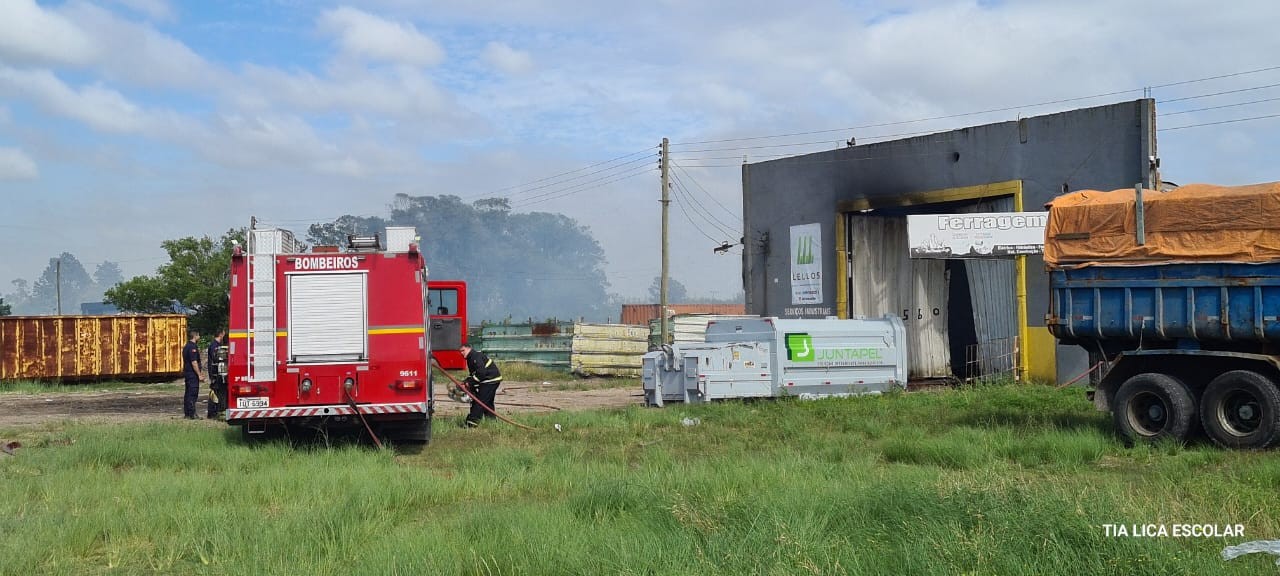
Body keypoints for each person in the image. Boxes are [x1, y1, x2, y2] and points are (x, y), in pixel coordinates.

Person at [459, 343, 502, 427]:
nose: (461, 353)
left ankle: (471, 424)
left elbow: (481, 373)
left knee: (479, 401)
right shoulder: (470, 358)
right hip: (491, 380)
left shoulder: (475, 356)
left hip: (490, 381)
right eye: (460, 351)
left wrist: (469, 383)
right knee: (487, 402)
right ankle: (491, 422)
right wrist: (465, 381)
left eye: (463, 350)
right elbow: (473, 374)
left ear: (469, 348)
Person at [182, 330, 203, 419]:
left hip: (188, 373)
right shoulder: (192, 347)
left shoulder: (186, 346)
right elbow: (194, 362)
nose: (199, 337)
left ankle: (187, 413)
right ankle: (192, 413)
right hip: (192, 374)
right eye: (199, 335)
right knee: (193, 393)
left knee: (188, 393)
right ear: (195, 336)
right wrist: (199, 374)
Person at [206, 329, 227, 419]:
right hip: (215, 373)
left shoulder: (217, 345)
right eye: (223, 334)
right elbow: (215, 359)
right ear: (220, 334)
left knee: (219, 392)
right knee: (215, 391)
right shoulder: (214, 346)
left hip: (217, 373)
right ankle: (212, 412)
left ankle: (217, 410)